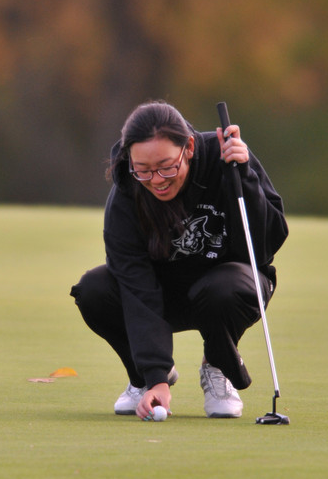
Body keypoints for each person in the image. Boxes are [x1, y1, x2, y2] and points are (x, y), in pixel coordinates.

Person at [70, 101, 288, 419]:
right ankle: (143, 379)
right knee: (94, 290)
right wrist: (156, 377)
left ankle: (217, 365)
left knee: (223, 290)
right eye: (143, 170)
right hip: (161, 293)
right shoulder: (126, 194)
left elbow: (264, 248)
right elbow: (136, 284)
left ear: (189, 147)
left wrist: (244, 177)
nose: (157, 179)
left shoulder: (227, 158)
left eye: (166, 166)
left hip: (226, 285)